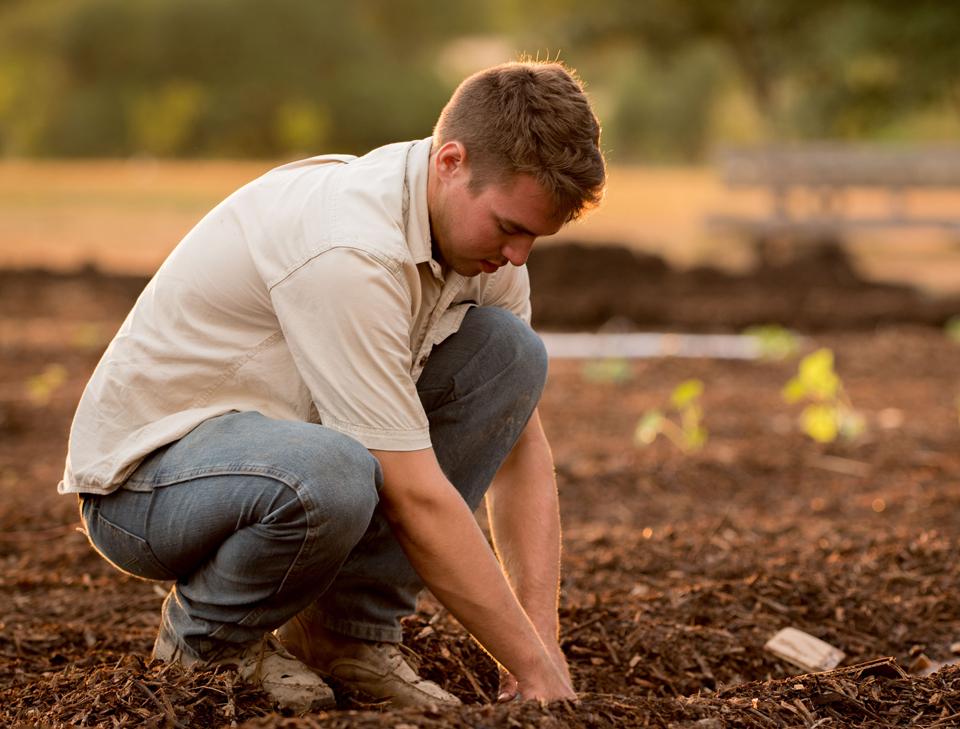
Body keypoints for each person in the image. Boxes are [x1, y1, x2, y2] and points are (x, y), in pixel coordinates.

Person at [58, 60, 604, 714]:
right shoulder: (350, 246)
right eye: (510, 227)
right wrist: (523, 660)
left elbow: (517, 446)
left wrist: (543, 643)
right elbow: (415, 497)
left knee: (510, 355)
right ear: (451, 162)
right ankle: (209, 643)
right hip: (145, 484)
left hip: (282, 456)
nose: (518, 256)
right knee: (336, 472)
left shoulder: (483, 252)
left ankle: (345, 635)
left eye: (534, 237)